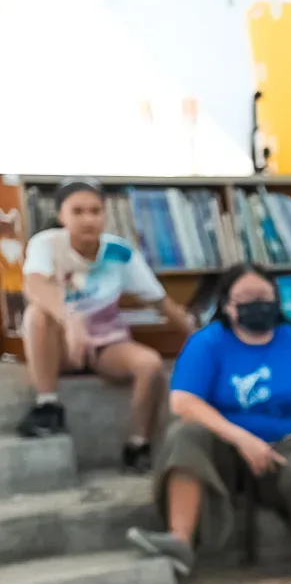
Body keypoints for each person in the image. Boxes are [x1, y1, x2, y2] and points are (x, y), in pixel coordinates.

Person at [127, 265, 291, 577]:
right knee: (183, 435)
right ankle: (180, 539)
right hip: (222, 449)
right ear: (227, 306)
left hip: (282, 448)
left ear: (276, 299)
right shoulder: (207, 342)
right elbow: (183, 401)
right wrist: (242, 439)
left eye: (263, 296)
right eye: (245, 298)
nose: (255, 304)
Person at [18, 179, 196, 469]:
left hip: (106, 343)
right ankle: (47, 404)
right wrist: (70, 319)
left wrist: (201, 336)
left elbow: (161, 302)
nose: (88, 219)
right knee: (37, 314)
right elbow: (34, 284)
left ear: (105, 213)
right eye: (77, 211)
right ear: (61, 215)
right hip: (61, 344)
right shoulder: (46, 244)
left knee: (149, 365)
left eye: (95, 210)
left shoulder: (120, 253)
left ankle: (137, 445)